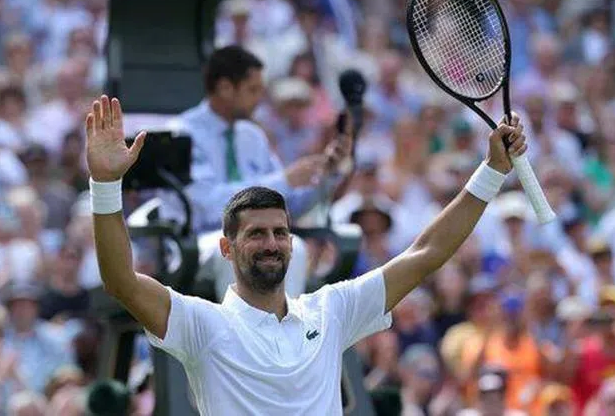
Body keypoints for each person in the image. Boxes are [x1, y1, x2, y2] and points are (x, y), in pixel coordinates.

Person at [83, 93, 527, 414]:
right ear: (227, 247)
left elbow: (426, 253)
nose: (271, 243)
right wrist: (105, 185)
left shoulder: (331, 310)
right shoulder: (203, 324)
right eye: (256, 234)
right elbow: (121, 281)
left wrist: (491, 172)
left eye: (280, 232)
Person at [174, 45, 351, 299]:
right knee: (234, 250)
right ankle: (241, 339)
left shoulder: (253, 136)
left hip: (253, 235)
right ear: (225, 87)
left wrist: (327, 174)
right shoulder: (184, 133)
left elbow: (288, 206)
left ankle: (284, 336)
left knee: (295, 248)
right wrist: (282, 180)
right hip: (197, 241)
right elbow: (207, 205)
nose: (259, 98)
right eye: (252, 90)